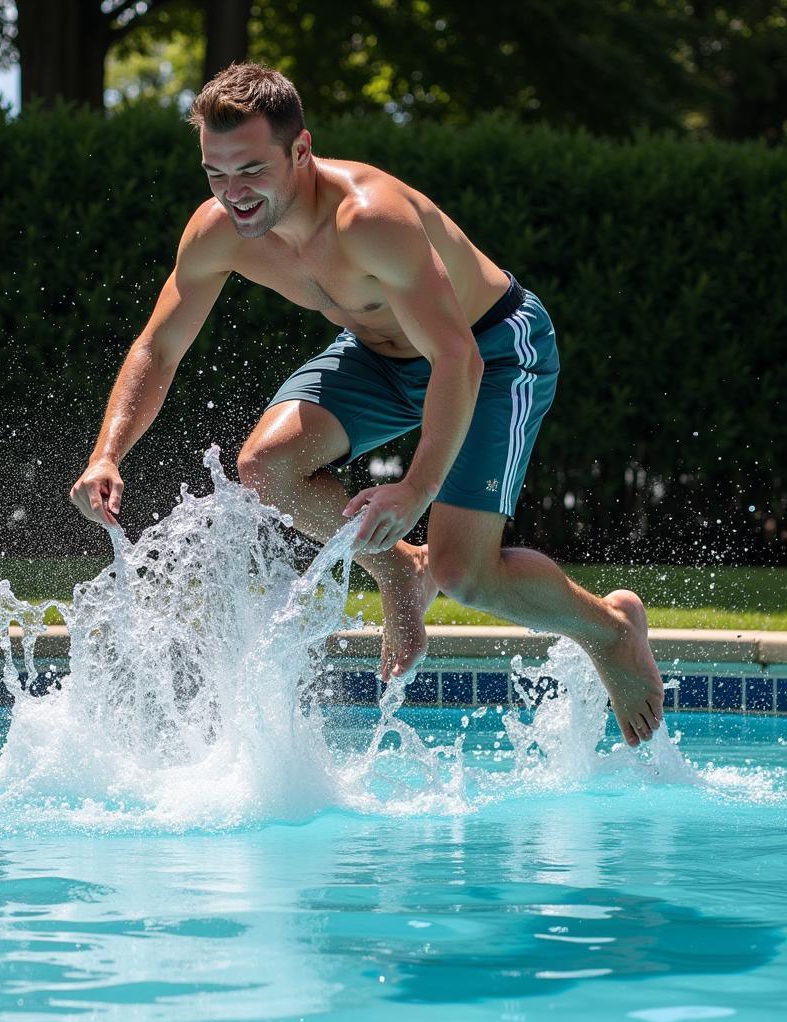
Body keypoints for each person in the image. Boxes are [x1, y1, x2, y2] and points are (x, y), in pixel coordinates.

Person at [69, 63, 665, 747]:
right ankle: (397, 569)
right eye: (216, 173)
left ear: (300, 150)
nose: (234, 195)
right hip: (379, 356)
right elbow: (158, 348)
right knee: (266, 467)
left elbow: (456, 357)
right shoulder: (219, 233)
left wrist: (414, 490)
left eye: (251, 171)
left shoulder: (370, 219)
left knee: (464, 574)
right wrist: (106, 452)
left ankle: (611, 631)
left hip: (492, 350)